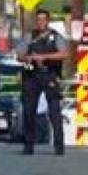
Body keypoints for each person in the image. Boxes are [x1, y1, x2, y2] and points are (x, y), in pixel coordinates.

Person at [14, 9, 69, 155]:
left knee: (54, 111)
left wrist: (44, 57)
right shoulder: (30, 37)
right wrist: (29, 58)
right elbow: (19, 54)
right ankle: (28, 145)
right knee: (29, 110)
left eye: (44, 19)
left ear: (48, 21)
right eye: (38, 19)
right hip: (31, 76)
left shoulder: (55, 37)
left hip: (49, 75)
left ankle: (59, 146)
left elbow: (64, 54)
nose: (41, 22)